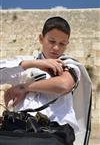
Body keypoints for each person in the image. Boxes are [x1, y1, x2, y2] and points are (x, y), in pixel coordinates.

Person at [4, 16, 81, 145]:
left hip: (55, 133)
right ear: (41, 39)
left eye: (62, 44)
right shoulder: (26, 63)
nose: (56, 48)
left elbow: (63, 84)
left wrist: (25, 87)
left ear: (67, 44)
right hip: (19, 132)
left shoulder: (70, 64)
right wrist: (34, 63)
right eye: (51, 41)